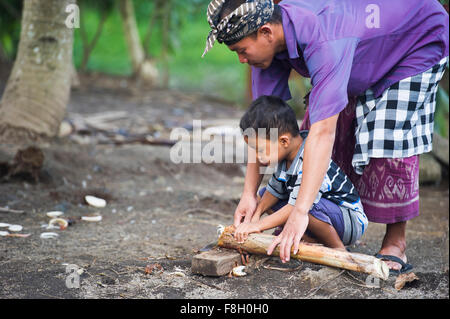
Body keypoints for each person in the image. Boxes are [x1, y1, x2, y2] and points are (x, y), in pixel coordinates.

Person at [201, 0, 449, 272]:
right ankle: (323, 229)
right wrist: (249, 194)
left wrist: (299, 211)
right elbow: (263, 127)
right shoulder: (270, 48)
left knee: (386, 134)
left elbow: (322, 132)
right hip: (364, 45)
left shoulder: (322, 36)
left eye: (242, 50)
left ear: (266, 33)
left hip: (415, 38)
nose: (241, 59)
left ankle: (395, 242)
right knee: (310, 135)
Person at [234, 95, 368, 251]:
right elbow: (273, 191)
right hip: (323, 214)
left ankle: (337, 247)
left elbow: (298, 206)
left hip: (349, 220)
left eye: (261, 150)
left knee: (306, 203)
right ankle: (310, 238)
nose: (258, 157)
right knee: (264, 194)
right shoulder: (285, 158)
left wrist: (257, 226)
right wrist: (256, 215)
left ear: (284, 141)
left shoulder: (309, 158)